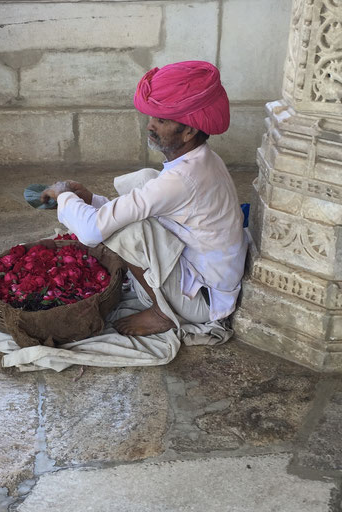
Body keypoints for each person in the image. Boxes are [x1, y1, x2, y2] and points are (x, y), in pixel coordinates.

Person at [42, 61, 248, 337]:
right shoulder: (200, 159)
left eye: (161, 120)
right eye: (151, 117)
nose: (150, 126)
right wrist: (90, 200)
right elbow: (134, 205)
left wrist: (64, 194)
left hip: (200, 301)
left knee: (128, 230)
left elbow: (93, 231)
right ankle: (163, 300)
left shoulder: (182, 179)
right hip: (200, 274)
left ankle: (163, 311)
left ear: (188, 131)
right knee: (144, 181)